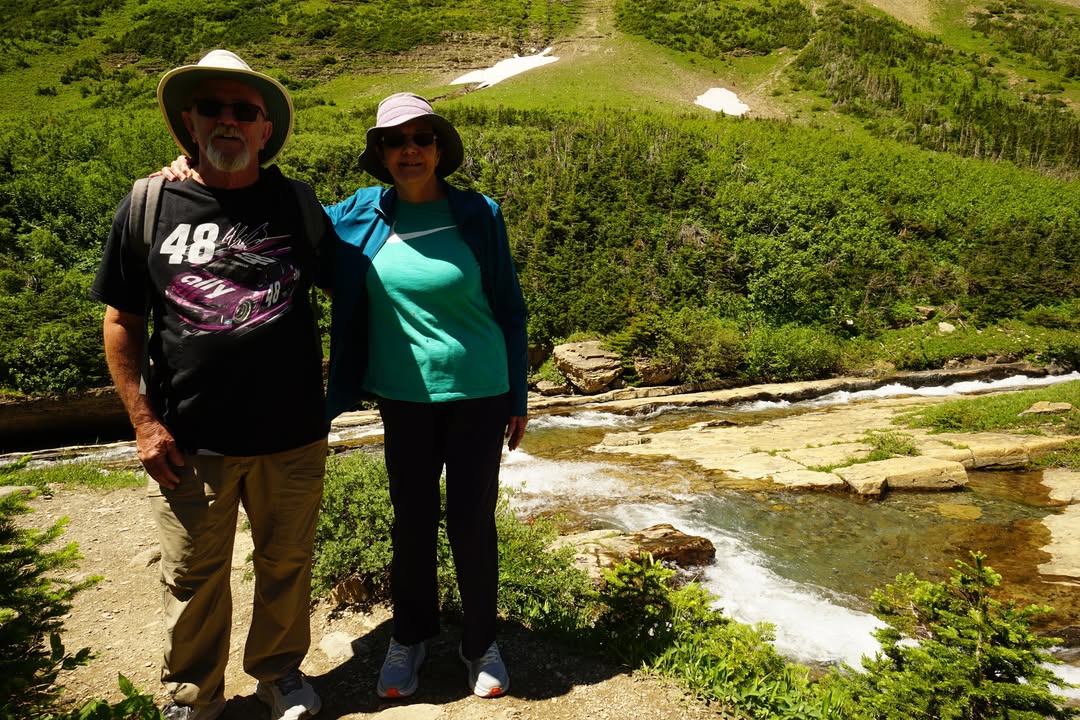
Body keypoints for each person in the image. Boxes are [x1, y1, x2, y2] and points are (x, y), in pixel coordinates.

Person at [91, 49, 332, 720]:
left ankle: (279, 673)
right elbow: (121, 322)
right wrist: (142, 420)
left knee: (286, 565)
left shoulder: (297, 202)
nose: (228, 121)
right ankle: (195, 695)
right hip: (189, 440)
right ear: (190, 122)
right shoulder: (148, 203)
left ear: (264, 130)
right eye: (213, 109)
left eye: (244, 111)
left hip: (292, 436)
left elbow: (358, 279)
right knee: (193, 578)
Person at [323, 92, 529, 699]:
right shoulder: (357, 216)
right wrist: (185, 167)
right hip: (403, 397)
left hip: (480, 391)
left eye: (422, 138)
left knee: (471, 521)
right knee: (410, 521)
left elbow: (510, 310)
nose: (409, 149)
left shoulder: (477, 214)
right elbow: (285, 216)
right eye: (396, 140)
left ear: (440, 148)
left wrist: (518, 393)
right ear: (380, 152)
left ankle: (479, 643)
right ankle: (409, 637)